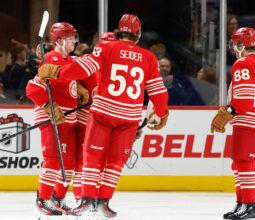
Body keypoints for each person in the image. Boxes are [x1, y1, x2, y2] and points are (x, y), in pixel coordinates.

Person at [37, 14, 169, 218]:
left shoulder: (106, 47)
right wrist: (160, 113)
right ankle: (104, 203)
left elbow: (82, 68)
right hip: (130, 117)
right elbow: (158, 92)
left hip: (104, 113)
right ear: (138, 34)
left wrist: (56, 72)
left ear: (119, 31)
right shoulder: (149, 58)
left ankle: (86, 201)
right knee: (115, 162)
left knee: (91, 157)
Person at [211, 27, 255, 219]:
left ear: (242, 44)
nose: (233, 47)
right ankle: (241, 203)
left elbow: (242, 101)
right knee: (238, 162)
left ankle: (250, 206)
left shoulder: (241, 63)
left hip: (248, 119)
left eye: (235, 43)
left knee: (244, 162)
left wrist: (228, 113)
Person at [26, 22, 89, 218]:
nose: (75, 41)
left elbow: (65, 82)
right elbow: (33, 89)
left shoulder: (68, 59)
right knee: (53, 160)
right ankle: (41, 200)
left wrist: (78, 89)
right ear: (60, 40)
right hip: (53, 120)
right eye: (71, 38)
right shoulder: (51, 59)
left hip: (67, 120)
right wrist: (48, 106)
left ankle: (55, 199)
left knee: (67, 163)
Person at [72, 31, 116, 202]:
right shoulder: (86, 61)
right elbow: (63, 74)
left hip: (107, 121)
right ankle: (81, 199)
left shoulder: (120, 66)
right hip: (86, 121)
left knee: (102, 163)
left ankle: (93, 198)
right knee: (84, 162)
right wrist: (77, 85)